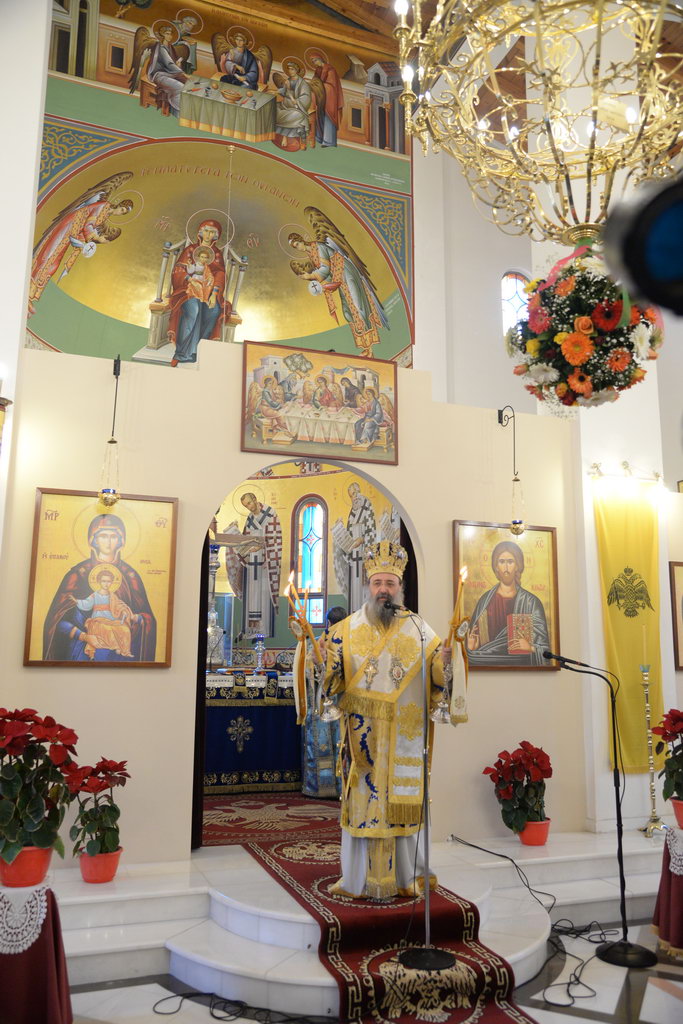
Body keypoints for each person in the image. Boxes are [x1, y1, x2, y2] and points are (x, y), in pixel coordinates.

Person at [323, 541, 466, 900]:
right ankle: (357, 880)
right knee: (363, 804)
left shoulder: (419, 629)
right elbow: (332, 682)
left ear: (400, 587)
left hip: (404, 733)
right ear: (368, 586)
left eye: (390, 583)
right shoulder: (345, 630)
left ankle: (406, 877)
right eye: (378, 583)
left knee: (402, 805)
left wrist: (446, 661)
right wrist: (319, 662)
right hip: (363, 741)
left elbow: (436, 676)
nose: (383, 590)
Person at [43, 513, 156, 662]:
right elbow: (57, 619)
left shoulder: (130, 576)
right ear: (94, 540)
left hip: (120, 650)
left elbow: (147, 617)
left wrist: (135, 617)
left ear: (121, 540)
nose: (108, 542)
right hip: (84, 648)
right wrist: (84, 636)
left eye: (113, 536)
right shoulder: (78, 574)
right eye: (103, 536)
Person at [288, 228, 389, 356]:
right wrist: (322, 287)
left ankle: (371, 348)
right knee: (348, 312)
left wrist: (310, 276)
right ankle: (364, 345)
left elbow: (325, 269)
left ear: (301, 240)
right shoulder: (311, 254)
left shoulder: (318, 247)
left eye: (297, 244)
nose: (298, 248)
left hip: (346, 272)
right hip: (339, 278)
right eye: (295, 247)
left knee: (358, 306)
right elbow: (328, 274)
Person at [29, 194, 133, 314]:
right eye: (122, 210)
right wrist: (94, 238)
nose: (120, 213)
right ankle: (27, 291)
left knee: (55, 263)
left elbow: (86, 228)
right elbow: (87, 224)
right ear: (119, 205)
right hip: (70, 225)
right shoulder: (104, 206)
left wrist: (83, 244)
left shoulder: (106, 215)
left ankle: (32, 295)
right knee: (49, 256)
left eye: (123, 213)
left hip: (74, 231)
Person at [466, 540, 550, 666]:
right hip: (486, 668)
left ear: (517, 566)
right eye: (501, 562)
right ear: (496, 566)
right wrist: (471, 648)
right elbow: (471, 644)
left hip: (523, 670)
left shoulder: (531, 602)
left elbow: (546, 652)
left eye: (510, 562)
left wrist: (531, 648)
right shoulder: (485, 601)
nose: (506, 567)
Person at [300, 605, 347, 798]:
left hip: (322, 702)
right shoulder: (350, 641)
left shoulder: (320, 641)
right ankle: (342, 787)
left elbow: (308, 669)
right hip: (343, 703)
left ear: (328, 622)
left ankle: (319, 787)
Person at [168, 219, 228, 366]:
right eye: (206, 230)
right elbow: (179, 270)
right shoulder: (190, 249)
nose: (208, 234)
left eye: (212, 232)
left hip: (208, 291)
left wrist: (214, 294)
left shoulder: (217, 254)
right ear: (201, 231)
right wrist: (190, 280)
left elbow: (220, 274)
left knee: (214, 311)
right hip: (188, 290)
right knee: (193, 310)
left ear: (216, 235)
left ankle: (198, 350)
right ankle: (181, 353)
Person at [224, 493, 282, 637]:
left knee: (263, 594)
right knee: (252, 594)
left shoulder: (270, 513)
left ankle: (264, 628)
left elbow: (275, 538)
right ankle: (252, 629)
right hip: (252, 562)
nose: (249, 507)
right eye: (246, 506)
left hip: (266, 562)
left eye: (249, 503)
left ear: (255, 499)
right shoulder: (250, 518)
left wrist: (263, 549)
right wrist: (234, 532)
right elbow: (246, 539)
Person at [70, 566, 139, 660]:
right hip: (98, 620)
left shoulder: (112, 595)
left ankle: (123, 649)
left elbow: (119, 606)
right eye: (104, 581)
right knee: (105, 629)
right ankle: (115, 646)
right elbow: (86, 604)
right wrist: (77, 601)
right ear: (99, 581)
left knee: (124, 629)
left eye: (108, 581)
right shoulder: (95, 595)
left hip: (112, 620)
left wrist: (123, 610)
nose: (106, 584)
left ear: (112, 582)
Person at [333, 482, 377, 612]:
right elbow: (349, 536)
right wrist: (340, 529)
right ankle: (354, 614)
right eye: (351, 495)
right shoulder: (352, 511)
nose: (354, 497)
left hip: (364, 557)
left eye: (355, 493)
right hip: (353, 559)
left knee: (363, 591)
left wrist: (361, 541)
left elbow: (371, 532)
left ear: (359, 491)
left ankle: (364, 615)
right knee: (354, 590)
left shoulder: (367, 506)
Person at [146, 23, 188, 116]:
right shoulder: (161, 48)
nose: (170, 36)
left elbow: (172, 64)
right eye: (167, 34)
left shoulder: (170, 48)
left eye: (171, 34)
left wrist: (178, 65)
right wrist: (181, 72)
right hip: (159, 75)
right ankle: (179, 110)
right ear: (162, 35)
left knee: (188, 86)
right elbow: (169, 64)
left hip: (171, 74)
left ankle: (184, 107)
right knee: (180, 87)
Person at [274, 59, 312, 151]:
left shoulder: (303, 84)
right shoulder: (288, 80)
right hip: (284, 106)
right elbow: (284, 92)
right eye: (289, 69)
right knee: (273, 109)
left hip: (297, 109)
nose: (290, 71)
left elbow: (306, 97)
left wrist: (297, 101)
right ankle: (282, 136)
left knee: (298, 117)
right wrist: (282, 89)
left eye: (292, 69)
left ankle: (300, 141)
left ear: (297, 70)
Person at [311, 52, 344, 147]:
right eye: (313, 62)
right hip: (321, 98)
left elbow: (331, 86)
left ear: (320, 59)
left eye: (315, 60)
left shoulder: (330, 70)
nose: (315, 63)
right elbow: (315, 81)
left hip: (330, 99)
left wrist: (320, 85)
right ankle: (319, 137)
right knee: (319, 116)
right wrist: (315, 85)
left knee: (328, 118)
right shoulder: (318, 70)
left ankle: (328, 141)